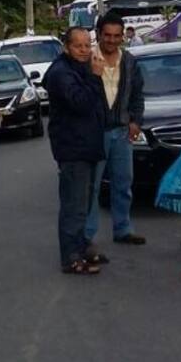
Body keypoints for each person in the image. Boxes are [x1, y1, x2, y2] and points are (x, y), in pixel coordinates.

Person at [44, 27, 107, 275]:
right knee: (74, 205)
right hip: (73, 148)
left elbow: (97, 103)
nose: (84, 51)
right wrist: (94, 76)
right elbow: (81, 103)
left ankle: (81, 247)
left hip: (88, 145)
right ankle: (71, 257)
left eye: (87, 45)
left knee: (86, 203)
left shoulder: (80, 69)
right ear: (66, 47)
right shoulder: (61, 73)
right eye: (78, 46)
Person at [86, 14, 147, 247]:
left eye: (116, 36)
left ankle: (123, 228)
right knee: (92, 186)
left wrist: (136, 121)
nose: (112, 41)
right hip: (95, 133)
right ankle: (88, 235)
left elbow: (138, 95)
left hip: (122, 131)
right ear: (99, 34)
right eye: (107, 36)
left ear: (123, 36)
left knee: (123, 183)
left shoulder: (130, 62)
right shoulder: (87, 59)